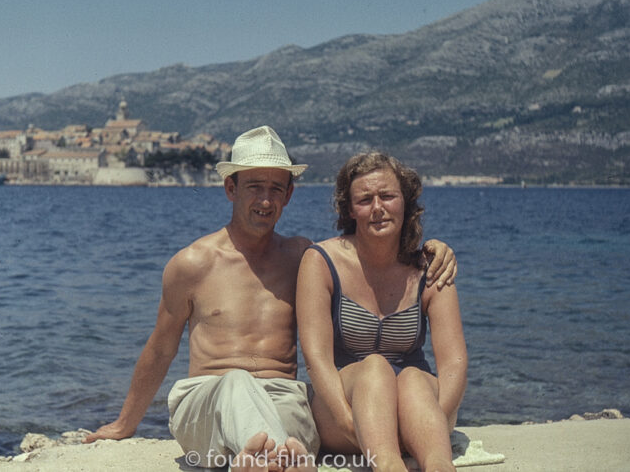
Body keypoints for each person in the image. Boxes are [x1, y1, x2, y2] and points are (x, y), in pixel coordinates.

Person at [84, 127, 457, 471]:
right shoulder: (192, 263)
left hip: (285, 401)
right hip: (209, 402)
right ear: (231, 188)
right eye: (254, 186)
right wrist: (124, 423)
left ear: (289, 195)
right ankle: (278, 457)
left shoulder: (303, 258)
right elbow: (161, 348)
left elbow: (364, 257)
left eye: (276, 188)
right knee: (236, 382)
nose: (265, 199)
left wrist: (431, 250)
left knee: (287, 405)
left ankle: (267, 458)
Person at [296, 152, 467, 472]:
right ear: (350, 209)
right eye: (365, 199)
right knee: (374, 368)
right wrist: (353, 426)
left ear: (405, 201)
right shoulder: (320, 261)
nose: (378, 208)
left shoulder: (430, 267)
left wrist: (437, 423)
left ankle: (440, 466)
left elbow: (454, 362)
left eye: (388, 196)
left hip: (419, 411)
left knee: (415, 378)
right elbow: (316, 361)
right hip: (345, 411)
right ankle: (388, 465)